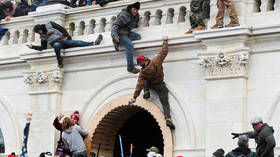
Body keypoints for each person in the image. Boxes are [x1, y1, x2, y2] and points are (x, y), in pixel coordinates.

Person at [130, 36, 175, 130]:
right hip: (160, 84)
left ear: (140, 64)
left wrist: (134, 97)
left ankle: (146, 93)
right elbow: (164, 51)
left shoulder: (142, 73)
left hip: (150, 84)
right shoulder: (156, 60)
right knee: (165, 103)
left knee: (143, 81)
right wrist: (165, 41)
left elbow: (139, 86)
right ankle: (168, 119)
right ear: (145, 59)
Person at [27, 22, 103, 68]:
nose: (40, 32)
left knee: (76, 43)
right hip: (57, 44)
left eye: (39, 31)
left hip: (63, 39)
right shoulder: (42, 36)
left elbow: (61, 29)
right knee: (56, 45)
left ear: (41, 28)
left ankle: (93, 43)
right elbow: (43, 47)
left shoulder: (50, 24)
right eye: (38, 32)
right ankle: (59, 61)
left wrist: (68, 36)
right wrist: (33, 47)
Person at [111, 2, 141, 74]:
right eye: (134, 9)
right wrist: (114, 34)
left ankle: (118, 42)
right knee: (129, 45)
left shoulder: (136, 15)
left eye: (137, 10)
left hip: (127, 32)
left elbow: (134, 24)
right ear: (131, 8)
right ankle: (130, 67)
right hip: (120, 33)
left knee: (138, 36)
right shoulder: (124, 15)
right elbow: (115, 24)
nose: (135, 11)